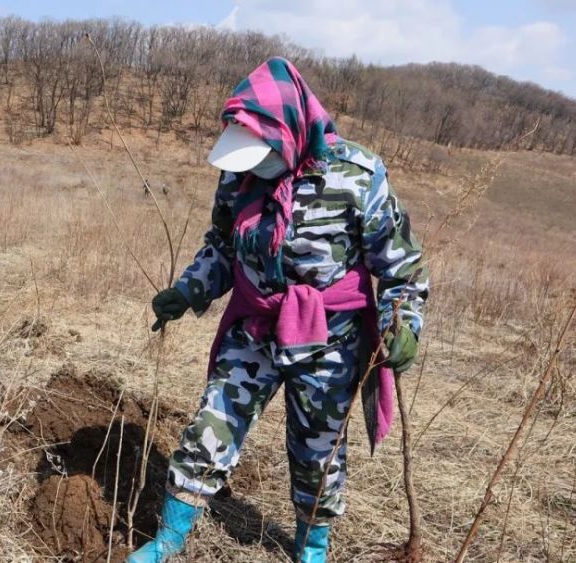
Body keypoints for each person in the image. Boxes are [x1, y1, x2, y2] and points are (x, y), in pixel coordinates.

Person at [130, 57, 429, 563]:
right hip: (255, 329)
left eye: (260, 153)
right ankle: (169, 538)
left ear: (290, 131)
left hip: (330, 341)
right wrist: (188, 291)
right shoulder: (238, 178)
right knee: (209, 428)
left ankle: (311, 545)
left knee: (319, 454)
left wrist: (404, 327)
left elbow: (402, 268)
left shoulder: (357, 175)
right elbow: (223, 247)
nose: (251, 166)